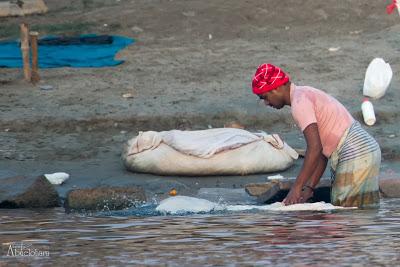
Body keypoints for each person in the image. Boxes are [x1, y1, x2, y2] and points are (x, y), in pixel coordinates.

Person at [251, 63, 381, 208]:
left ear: (277, 88)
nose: (266, 103)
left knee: (344, 217)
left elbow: (314, 148)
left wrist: (296, 188)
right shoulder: (304, 93)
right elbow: (322, 153)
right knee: (363, 213)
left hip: (354, 153)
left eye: (265, 97)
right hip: (368, 150)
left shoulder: (299, 103)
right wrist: (309, 188)